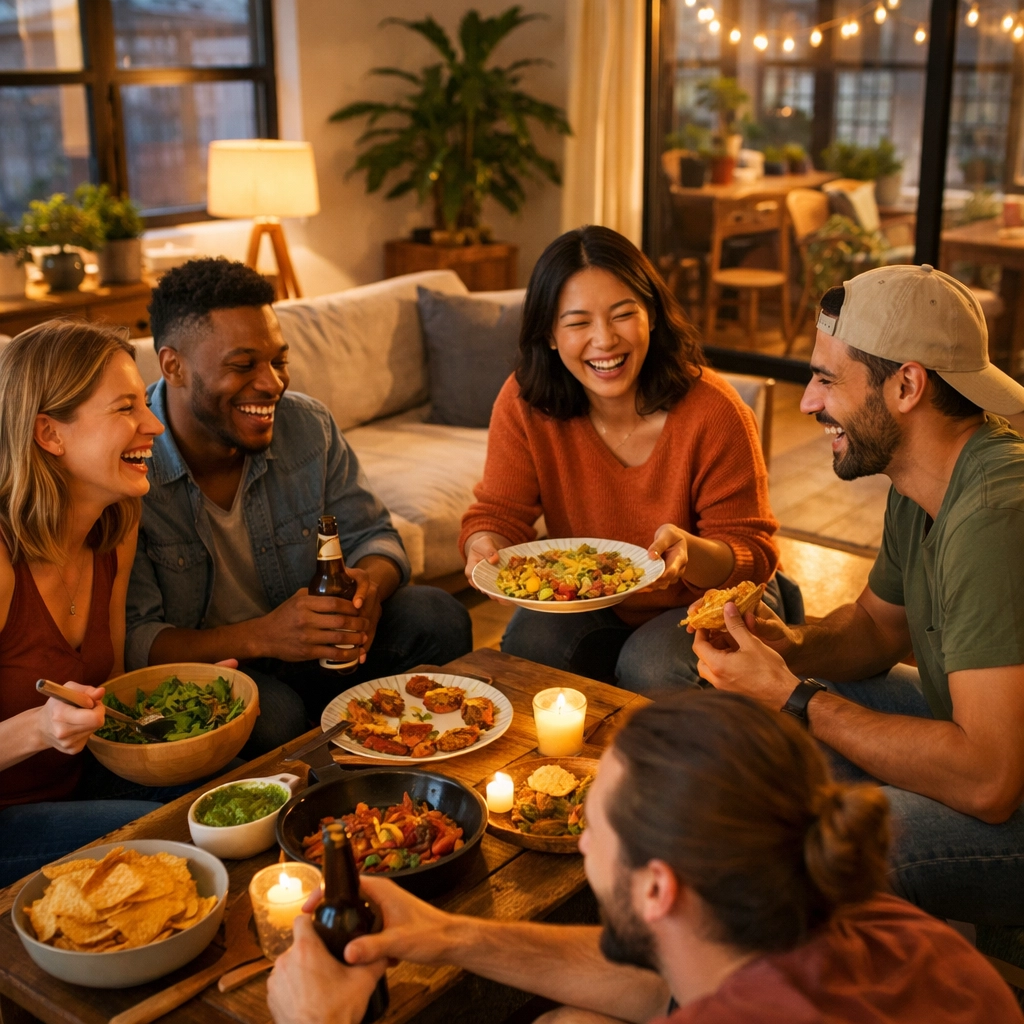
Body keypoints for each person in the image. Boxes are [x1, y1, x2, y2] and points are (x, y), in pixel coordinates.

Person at [266, 690, 1021, 1024]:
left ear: (658, 887)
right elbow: (664, 981)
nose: (584, 842)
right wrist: (450, 936)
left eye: (594, 827)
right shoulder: (895, 930)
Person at [691, 265, 1024, 927]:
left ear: (907, 384)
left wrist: (792, 694)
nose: (809, 402)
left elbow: (990, 782)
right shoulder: (922, 480)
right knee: (776, 736)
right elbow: (876, 628)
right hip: (991, 751)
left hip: (1008, 789)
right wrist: (788, 647)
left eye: (825, 378)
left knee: (822, 847)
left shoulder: (993, 514)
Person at [126, 259, 473, 755]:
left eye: (278, 360)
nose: (272, 383)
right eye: (243, 365)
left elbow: (376, 535)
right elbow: (138, 640)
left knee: (436, 615)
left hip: (321, 651)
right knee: (272, 716)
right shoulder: (132, 460)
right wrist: (263, 637)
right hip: (221, 669)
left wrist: (368, 586)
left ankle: (422, 772)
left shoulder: (308, 427)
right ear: (173, 365)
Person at [460, 226, 779, 692]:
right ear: (549, 334)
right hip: (596, 603)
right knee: (531, 637)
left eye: (623, 314)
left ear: (651, 314)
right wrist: (482, 547)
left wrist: (689, 553)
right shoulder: (525, 401)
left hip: (713, 601)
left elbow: (752, 555)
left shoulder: (714, 410)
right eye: (577, 323)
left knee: (651, 665)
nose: (604, 340)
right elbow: (499, 515)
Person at [0, 321, 173, 886]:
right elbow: (53, 721)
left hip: (80, 780)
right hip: (8, 817)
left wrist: (179, 693)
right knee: (176, 838)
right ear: (50, 434)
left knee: (263, 792)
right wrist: (39, 728)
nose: (154, 425)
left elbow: (112, 678)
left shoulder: (115, 522)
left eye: (144, 403)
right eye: (126, 408)